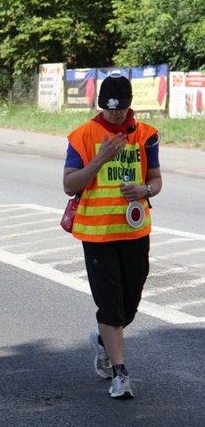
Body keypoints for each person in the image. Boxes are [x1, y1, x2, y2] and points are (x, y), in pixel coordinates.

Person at [62, 73, 162, 400]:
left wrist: (145, 189)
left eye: (120, 109)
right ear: (101, 104)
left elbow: (156, 180)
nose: (115, 114)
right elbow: (70, 184)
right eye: (109, 108)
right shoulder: (83, 136)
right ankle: (120, 374)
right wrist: (100, 158)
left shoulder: (146, 135)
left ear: (130, 105)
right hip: (97, 234)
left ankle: (103, 340)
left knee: (129, 307)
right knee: (110, 305)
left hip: (134, 231)